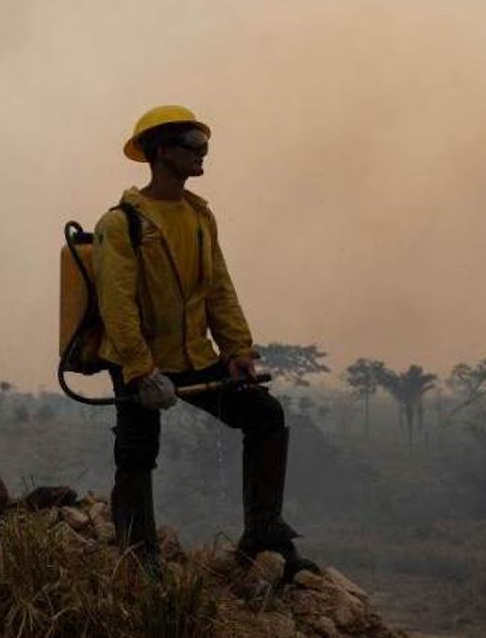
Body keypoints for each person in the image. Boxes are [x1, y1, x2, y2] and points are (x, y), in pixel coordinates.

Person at [90, 105, 318, 579]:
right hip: (143, 361)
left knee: (265, 416)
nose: (202, 152)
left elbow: (218, 288)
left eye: (203, 142)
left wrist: (239, 352)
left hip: (195, 356)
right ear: (160, 151)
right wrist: (138, 369)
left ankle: (263, 531)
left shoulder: (199, 217)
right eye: (191, 141)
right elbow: (117, 305)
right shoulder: (123, 223)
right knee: (136, 451)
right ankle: (139, 557)